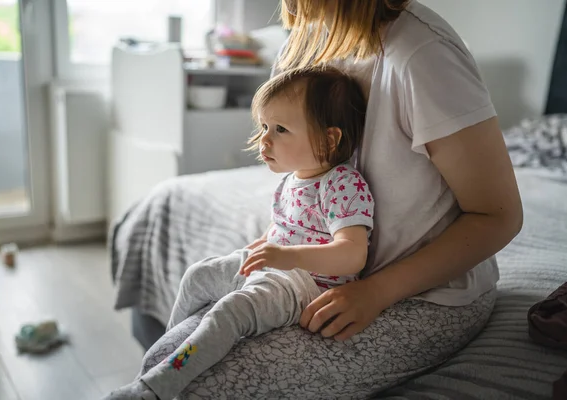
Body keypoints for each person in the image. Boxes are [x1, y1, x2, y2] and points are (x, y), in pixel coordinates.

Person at [108, 0, 523, 398]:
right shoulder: (305, 41)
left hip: (425, 295)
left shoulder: (421, 55)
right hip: (311, 273)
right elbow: (298, 177)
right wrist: (275, 240)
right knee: (169, 353)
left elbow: (498, 216)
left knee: (200, 387)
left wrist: (375, 292)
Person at [104, 67, 375, 399]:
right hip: (276, 267)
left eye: (280, 129)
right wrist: (256, 249)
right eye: (263, 126)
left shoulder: (343, 183)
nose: (264, 139)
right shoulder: (291, 180)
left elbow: (352, 254)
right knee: (198, 275)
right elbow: (282, 228)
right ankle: (174, 346)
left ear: (329, 139)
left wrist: (284, 256)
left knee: (228, 314)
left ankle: (157, 386)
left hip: (306, 285)